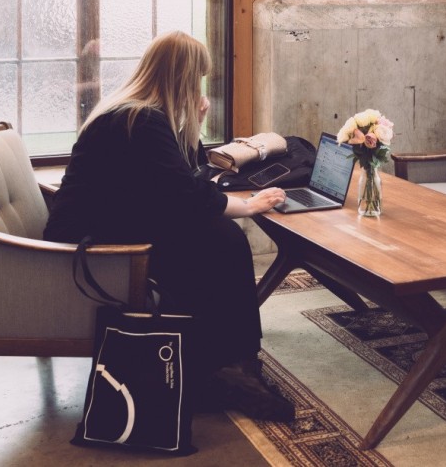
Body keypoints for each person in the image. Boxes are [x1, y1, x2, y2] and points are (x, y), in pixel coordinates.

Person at [44, 31, 294, 422]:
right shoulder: (141, 120)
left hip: (106, 225)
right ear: (184, 79)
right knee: (222, 239)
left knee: (215, 238)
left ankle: (228, 364)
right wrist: (246, 206)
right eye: (197, 80)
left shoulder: (133, 111)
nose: (200, 88)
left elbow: (175, 182)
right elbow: (186, 194)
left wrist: (192, 123)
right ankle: (230, 366)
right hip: (93, 245)